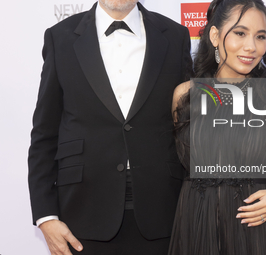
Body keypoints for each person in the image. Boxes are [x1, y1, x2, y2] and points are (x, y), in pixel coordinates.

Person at [28, 0, 192, 254]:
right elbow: (44, 134)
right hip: (81, 213)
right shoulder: (59, 37)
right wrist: (46, 216)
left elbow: (188, 126)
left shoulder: (176, 35)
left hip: (163, 211)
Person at [169, 0, 266, 254]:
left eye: (260, 36)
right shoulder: (186, 96)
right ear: (215, 36)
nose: (251, 46)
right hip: (198, 227)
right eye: (240, 33)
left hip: (262, 231)